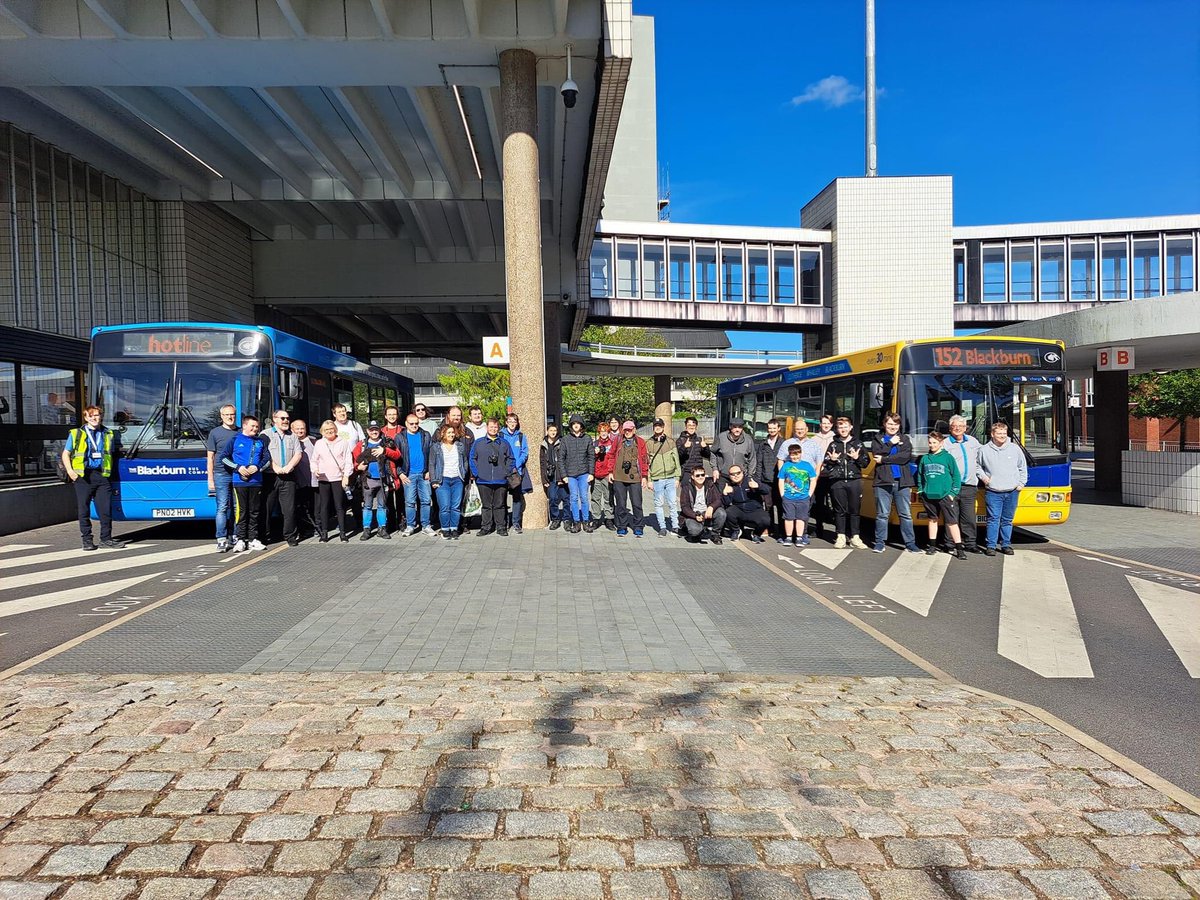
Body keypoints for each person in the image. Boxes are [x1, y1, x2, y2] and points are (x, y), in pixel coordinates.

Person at [61, 405, 125, 551]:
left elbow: (111, 454)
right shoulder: (76, 433)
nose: (94, 418)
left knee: (105, 509)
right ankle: (87, 540)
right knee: (84, 510)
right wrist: (71, 472)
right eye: (91, 416)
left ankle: (106, 539)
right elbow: (66, 453)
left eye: (97, 415)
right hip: (83, 476)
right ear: (86, 418)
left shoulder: (107, 433)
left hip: (102, 475)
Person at [869, 412, 921, 554]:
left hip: (902, 482)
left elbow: (905, 457)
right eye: (890, 423)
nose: (893, 426)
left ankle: (910, 544)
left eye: (896, 424)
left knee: (905, 515)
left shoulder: (905, 439)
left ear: (899, 425)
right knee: (882, 514)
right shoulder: (877, 439)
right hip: (883, 481)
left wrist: (885, 459)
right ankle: (880, 543)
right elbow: (876, 454)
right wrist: (890, 443)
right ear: (884, 424)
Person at [221, 414, 269, 553]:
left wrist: (257, 467)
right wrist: (238, 468)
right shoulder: (235, 439)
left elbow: (267, 459)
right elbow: (224, 457)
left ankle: (253, 539)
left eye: (257, 426)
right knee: (241, 512)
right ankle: (241, 539)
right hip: (239, 481)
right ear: (245, 426)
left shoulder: (260, 441)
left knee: (254, 511)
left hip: (256, 481)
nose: (255, 428)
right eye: (253, 426)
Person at [978, 421, 1027, 557]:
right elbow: (977, 466)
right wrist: (983, 477)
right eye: (999, 433)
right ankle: (991, 546)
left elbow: (1022, 467)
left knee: (1007, 520)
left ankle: (1006, 544)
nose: (1002, 436)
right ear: (992, 434)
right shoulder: (984, 450)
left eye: (1004, 433)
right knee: (993, 519)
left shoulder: (1015, 449)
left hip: (1012, 491)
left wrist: (1021, 484)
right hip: (993, 491)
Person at [917, 431, 966, 560]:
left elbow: (956, 476)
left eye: (934, 443)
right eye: (930, 442)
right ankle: (932, 545)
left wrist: (952, 493)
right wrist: (921, 491)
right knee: (932, 520)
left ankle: (959, 548)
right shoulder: (925, 458)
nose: (932, 445)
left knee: (952, 522)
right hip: (929, 495)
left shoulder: (948, 458)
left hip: (945, 495)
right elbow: (920, 476)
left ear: (941, 443)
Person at [823, 416, 870, 549]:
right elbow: (827, 464)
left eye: (845, 426)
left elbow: (866, 463)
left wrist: (857, 457)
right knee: (839, 510)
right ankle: (841, 536)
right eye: (840, 427)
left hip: (854, 480)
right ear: (837, 429)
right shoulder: (833, 444)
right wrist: (832, 460)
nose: (843, 429)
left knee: (855, 509)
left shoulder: (858, 444)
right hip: (837, 481)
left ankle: (855, 536)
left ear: (850, 428)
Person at [262, 409, 303, 547]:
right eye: (283, 418)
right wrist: (275, 467)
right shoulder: (265, 434)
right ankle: (264, 536)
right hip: (270, 476)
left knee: (289, 508)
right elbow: (264, 454)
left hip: (288, 475)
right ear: (274, 419)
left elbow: (298, 453)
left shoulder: (293, 436)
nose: (286, 421)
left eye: (287, 418)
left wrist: (289, 466)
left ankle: (290, 536)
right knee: (267, 508)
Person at [354, 421, 400, 540]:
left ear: (380, 430)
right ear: (367, 431)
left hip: (383, 479)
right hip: (368, 480)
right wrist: (357, 467)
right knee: (367, 506)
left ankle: (382, 529)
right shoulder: (362, 444)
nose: (374, 432)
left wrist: (384, 451)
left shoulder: (387, 442)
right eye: (371, 430)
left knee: (382, 505)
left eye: (376, 429)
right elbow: (354, 459)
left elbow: (397, 455)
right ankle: (366, 529)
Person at [945, 414, 984, 553]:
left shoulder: (973, 441)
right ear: (950, 428)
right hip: (951, 487)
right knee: (951, 516)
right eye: (955, 426)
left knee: (969, 517)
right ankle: (950, 544)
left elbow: (983, 455)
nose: (958, 429)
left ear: (965, 428)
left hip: (970, 486)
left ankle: (970, 544)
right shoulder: (945, 444)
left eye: (961, 426)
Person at [471, 418, 515, 536]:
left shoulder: (504, 443)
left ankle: (501, 527)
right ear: (487, 428)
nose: (493, 429)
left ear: (498, 428)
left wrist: (506, 472)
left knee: (500, 505)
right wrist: (476, 473)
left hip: (501, 480)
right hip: (483, 480)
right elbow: (472, 458)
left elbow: (511, 459)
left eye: (495, 427)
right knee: (486, 506)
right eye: (491, 427)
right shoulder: (478, 443)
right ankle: (486, 527)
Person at [312, 419, 354, 542]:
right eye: (326, 430)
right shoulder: (319, 443)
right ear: (322, 432)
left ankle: (342, 532)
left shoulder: (343, 442)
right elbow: (314, 460)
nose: (329, 432)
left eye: (331, 429)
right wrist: (315, 470)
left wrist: (346, 476)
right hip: (324, 478)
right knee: (324, 506)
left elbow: (348, 460)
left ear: (335, 430)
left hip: (338, 478)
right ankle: (324, 533)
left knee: (339, 506)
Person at [205, 404, 239, 552]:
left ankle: (236, 535)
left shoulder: (240, 432)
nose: (230, 417)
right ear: (221, 417)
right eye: (226, 415)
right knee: (222, 507)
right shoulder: (215, 433)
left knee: (238, 507)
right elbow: (210, 457)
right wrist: (210, 479)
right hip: (221, 474)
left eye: (232, 414)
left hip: (238, 474)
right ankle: (221, 539)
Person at [397, 411, 433, 536]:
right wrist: (400, 473)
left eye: (416, 423)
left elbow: (431, 454)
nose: (414, 426)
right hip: (408, 474)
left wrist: (429, 470)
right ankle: (410, 526)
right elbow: (396, 457)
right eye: (411, 423)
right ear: (406, 424)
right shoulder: (400, 437)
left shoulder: (426, 435)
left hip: (424, 474)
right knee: (410, 502)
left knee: (426, 501)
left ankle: (426, 525)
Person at [430, 423, 469, 539]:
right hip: (442, 480)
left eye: (453, 432)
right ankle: (445, 529)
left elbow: (465, 461)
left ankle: (454, 528)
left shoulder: (460, 446)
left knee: (456, 506)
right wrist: (433, 480)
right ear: (443, 434)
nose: (451, 434)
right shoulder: (436, 447)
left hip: (457, 479)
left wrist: (463, 473)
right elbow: (432, 464)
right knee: (445, 506)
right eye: (449, 432)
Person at [612, 420, 649, 537]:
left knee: (637, 503)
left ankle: (638, 526)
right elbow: (611, 456)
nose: (627, 432)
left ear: (634, 430)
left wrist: (644, 476)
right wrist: (609, 472)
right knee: (621, 504)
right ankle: (622, 526)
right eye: (625, 430)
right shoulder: (618, 440)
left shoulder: (640, 442)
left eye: (630, 429)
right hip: (619, 477)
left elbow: (644, 460)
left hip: (635, 477)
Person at [559, 414, 595, 533]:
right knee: (573, 498)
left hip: (584, 473)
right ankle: (576, 522)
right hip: (570, 474)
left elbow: (591, 457)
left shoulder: (587, 438)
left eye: (578, 423)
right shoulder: (565, 440)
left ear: (581, 425)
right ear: (571, 426)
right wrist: (564, 475)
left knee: (584, 497)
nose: (576, 425)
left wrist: (591, 473)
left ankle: (585, 521)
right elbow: (561, 459)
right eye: (574, 424)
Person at [778, 442, 818, 546]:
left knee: (801, 518)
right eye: (792, 454)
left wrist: (809, 494)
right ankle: (788, 537)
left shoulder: (807, 465)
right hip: (788, 497)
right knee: (789, 517)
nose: (795, 456)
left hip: (803, 497)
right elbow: (781, 480)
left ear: (801, 453)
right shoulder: (786, 465)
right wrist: (782, 494)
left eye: (797, 454)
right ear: (789, 455)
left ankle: (799, 537)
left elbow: (813, 479)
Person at [647, 418, 681, 537]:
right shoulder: (649, 443)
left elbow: (676, 459)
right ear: (653, 427)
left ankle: (675, 526)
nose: (658, 427)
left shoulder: (670, 442)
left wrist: (677, 477)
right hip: (657, 478)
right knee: (659, 504)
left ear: (663, 426)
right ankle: (662, 527)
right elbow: (647, 463)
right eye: (656, 425)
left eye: (660, 425)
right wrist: (649, 480)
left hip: (671, 477)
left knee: (672, 503)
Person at [722, 464, 769, 542]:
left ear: (742, 473)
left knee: (766, 520)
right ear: (729, 476)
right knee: (728, 512)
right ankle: (736, 530)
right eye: (732, 474)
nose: (736, 476)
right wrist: (725, 494)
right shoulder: (730, 486)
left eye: (738, 473)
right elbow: (726, 503)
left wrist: (758, 486)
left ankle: (756, 534)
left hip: (755, 510)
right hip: (739, 509)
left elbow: (767, 490)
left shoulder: (751, 480)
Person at [680, 465, 726, 544]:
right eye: (697, 475)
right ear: (693, 477)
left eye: (702, 475)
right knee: (694, 531)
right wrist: (695, 515)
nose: (700, 477)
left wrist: (711, 507)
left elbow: (718, 500)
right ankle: (698, 532)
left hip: (707, 512)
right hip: (693, 514)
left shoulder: (710, 485)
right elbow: (684, 507)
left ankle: (715, 534)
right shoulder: (686, 488)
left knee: (721, 513)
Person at [501, 413, 531, 534]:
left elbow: (524, 452)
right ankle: (504, 522)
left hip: (517, 472)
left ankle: (516, 522)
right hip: (504, 472)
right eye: (510, 421)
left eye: (514, 421)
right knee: (502, 499)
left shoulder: (521, 436)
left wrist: (517, 463)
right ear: (506, 422)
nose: (512, 423)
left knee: (517, 498)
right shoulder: (501, 435)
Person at [756, 418, 785, 535]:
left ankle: (783, 531)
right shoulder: (763, 444)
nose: (772, 430)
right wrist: (758, 479)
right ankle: (769, 528)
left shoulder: (784, 443)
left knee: (781, 505)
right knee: (768, 506)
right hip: (766, 479)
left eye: (774, 428)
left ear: (778, 429)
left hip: (780, 480)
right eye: (770, 428)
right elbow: (759, 463)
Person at [291, 418, 318, 540]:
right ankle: (305, 530)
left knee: (315, 506)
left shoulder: (313, 441)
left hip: (314, 481)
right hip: (298, 481)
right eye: (297, 429)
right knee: (301, 507)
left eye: (302, 428)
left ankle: (317, 528)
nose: (300, 431)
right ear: (292, 430)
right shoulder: (290, 442)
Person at [810, 414, 836, 537]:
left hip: (833, 474)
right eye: (823, 423)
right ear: (820, 424)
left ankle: (839, 531)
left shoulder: (835, 438)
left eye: (828, 423)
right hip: (819, 475)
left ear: (832, 425)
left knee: (836, 503)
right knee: (819, 502)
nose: (826, 425)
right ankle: (818, 527)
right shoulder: (814, 439)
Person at [381, 405, 406, 532]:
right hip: (387, 468)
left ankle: (402, 520)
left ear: (397, 416)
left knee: (401, 497)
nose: (392, 416)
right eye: (389, 414)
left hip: (401, 466)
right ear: (385, 416)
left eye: (394, 414)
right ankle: (391, 522)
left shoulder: (403, 430)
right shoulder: (381, 432)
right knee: (388, 498)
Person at [590, 420, 618, 530]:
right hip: (596, 474)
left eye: (605, 431)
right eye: (601, 431)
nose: (603, 433)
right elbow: (589, 458)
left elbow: (614, 458)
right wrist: (594, 453)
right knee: (595, 498)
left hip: (607, 474)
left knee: (608, 497)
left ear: (608, 431)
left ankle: (609, 519)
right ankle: (596, 519)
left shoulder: (612, 443)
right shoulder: (595, 443)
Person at [540, 424, 567, 529]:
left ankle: (567, 519)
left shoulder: (561, 442)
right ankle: (555, 519)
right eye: (551, 430)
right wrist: (543, 478)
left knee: (566, 499)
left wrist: (562, 477)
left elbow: (565, 460)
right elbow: (542, 462)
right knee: (552, 499)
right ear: (547, 432)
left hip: (561, 475)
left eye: (555, 430)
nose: (553, 432)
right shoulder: (543, 445)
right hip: (550, 476)